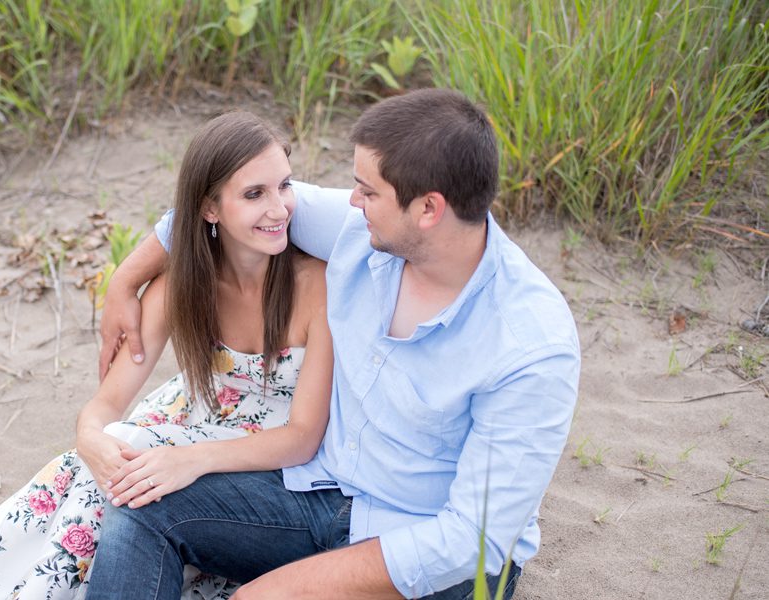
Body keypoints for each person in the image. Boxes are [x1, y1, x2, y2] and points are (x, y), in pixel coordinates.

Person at [88, 88, 581, 599]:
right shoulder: (361, 230)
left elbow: (472, 543)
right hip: (322, 495)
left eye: (367, 192)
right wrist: (126, 280)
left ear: (429, 209)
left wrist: (280, 590)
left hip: (431, 555)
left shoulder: (531, 344)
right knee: (144, 507)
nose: (350, 201)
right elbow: (222, 200)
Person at [0, 111, 334, 600]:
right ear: (210, 209)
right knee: (95, 466)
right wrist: (91, 441)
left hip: (267, 459)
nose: (280, 208)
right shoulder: (181, 285)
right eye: (255, 194)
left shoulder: (314, 284)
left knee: (126, 470)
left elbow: (302, 439)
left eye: (285, 186)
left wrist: (186, 460)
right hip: (189, 421)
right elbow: (104, 408)